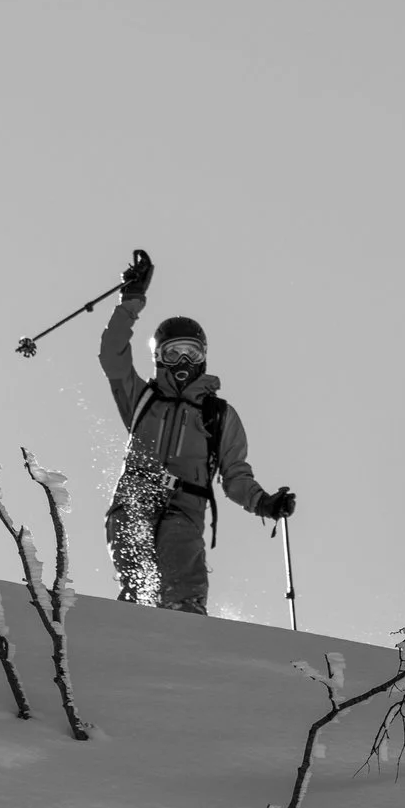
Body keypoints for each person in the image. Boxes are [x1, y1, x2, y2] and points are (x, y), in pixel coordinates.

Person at [98, 250, 295, 614]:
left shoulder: (217, 414)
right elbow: (112, 354)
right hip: (137, 493)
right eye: (174, 353)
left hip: (186, 506)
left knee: (183, 581)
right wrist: (131, 302)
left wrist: (264, 502)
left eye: (191, 352)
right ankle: (129, 638)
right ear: (159, 357)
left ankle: (188, 643)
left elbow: (235, 475)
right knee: (137, 576)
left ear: (203, 357)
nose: (183, 363)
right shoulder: (142, 398)